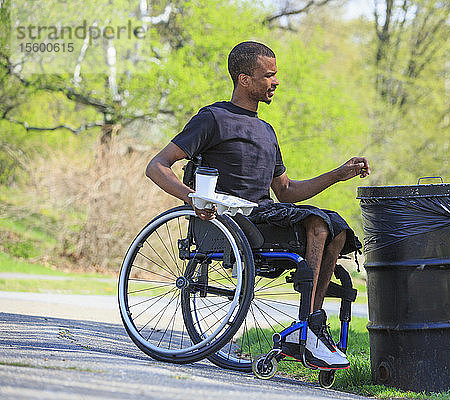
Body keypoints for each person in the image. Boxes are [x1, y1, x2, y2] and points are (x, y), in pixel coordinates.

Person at [145, 41, 370, 369]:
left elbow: (288, 191)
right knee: (318, 224)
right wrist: (192, 197)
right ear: (244, 80)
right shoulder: (213, 118)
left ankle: (309, 327)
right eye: (269, 75)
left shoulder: (266, 131)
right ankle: (309, 329)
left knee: (335, 226)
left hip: (264, 215)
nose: (275, 82)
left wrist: (339, 173)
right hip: (232, 216)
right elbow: (157, 166)